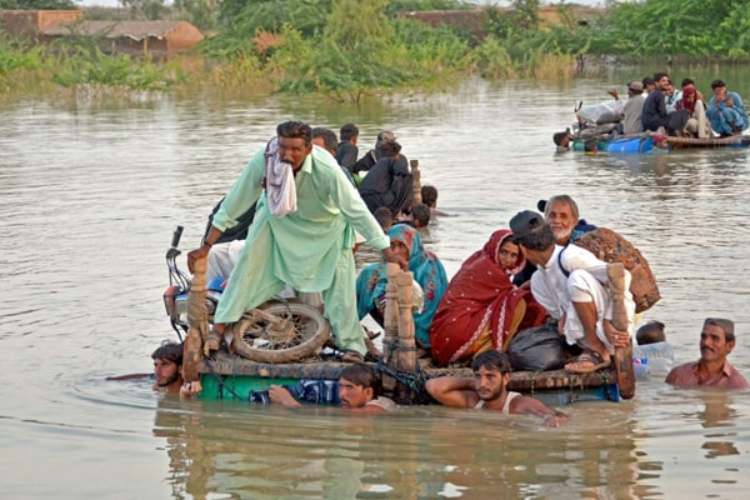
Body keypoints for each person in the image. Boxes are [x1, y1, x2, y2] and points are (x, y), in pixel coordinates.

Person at [188, 121, 396, 362]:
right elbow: (236, 200)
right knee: (247, 268)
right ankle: (220, 329)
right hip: (277, 222)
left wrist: (384, 247)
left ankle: (352, 346)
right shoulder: (266, 159)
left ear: (308, 149)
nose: (287, 154)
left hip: (325, 230)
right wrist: (206, 246)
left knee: (340, 289)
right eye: (283, 147)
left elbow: (356, 210)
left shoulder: (327, 169)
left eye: (295, 149)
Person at [510, 211, 634, 373]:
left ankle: (597, 351)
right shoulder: (538, 280)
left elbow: (622, 275)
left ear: (523, 249)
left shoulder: (569, 257)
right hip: (585, 338)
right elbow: (562, 317)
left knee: (577, 279)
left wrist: (608, 321)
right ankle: (590, 350)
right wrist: (564, 317)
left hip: (614, 331)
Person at [429, 229, 547, 366]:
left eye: (514, 255)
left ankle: (480, 353)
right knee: (517, 302)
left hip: (442, 336)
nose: (508, 259)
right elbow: (510, 295)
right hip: (455, 332)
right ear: (495, 248)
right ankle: (494, 354)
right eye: (504, 252)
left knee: (513, 299)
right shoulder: (487, 268)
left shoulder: (479, 259)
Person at [357, 224, 448, 350]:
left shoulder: (428, 266)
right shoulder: (387, 268)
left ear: (413, 247)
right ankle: (349, 327)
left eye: (401, 246)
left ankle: (414, 344)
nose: (395, 252)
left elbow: (430, 306)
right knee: (370, 276)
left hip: (425, 329)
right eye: (391, 246)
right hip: (403, 320)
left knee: (379, 283)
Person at [426, 351, 568, 427]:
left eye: (490, 377)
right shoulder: (473, 401)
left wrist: (551, 420)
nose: (483, 383)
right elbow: (433, 387)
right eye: (478, 376)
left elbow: (559, 416)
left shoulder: (519, 404)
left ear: (505, 378)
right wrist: (473, 383)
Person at [269, 364, 396, 413]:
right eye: (341, 386)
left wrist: (288, 401)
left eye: (349, 388)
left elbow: (347, 416)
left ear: (368, 392)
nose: (341, 394)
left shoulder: (379, 406)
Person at [666, 318, 748, 390]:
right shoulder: (678, 374)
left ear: (730, 345)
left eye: (715, 338)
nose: (706, 343)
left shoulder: (736, 385)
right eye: (703, 337)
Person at [358, 140, 414, 216]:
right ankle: (395, 214)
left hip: (363, 200)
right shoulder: (393, 160)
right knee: (408, 179)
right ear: (396, 154)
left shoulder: (379, 164)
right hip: (376, 201)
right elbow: (403, 174)